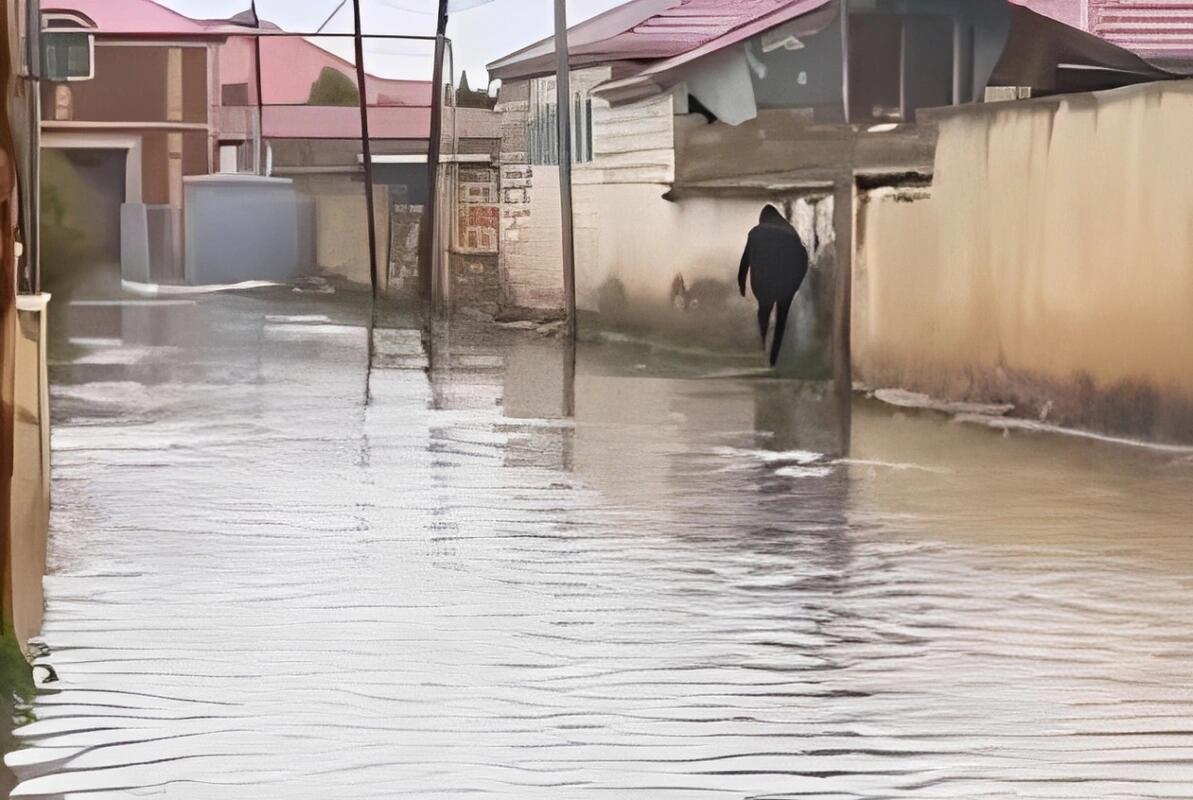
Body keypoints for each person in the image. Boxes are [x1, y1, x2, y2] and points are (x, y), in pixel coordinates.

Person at [738, 204, 809, 367]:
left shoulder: (756, 232)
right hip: (787, 282)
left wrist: (741, 285)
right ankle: (774, 359)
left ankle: (762, 348)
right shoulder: (791, 233)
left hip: (764, 283)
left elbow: (745, 263)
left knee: (763, 311)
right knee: (781, 320)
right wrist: (795, 285)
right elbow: (802, 257)